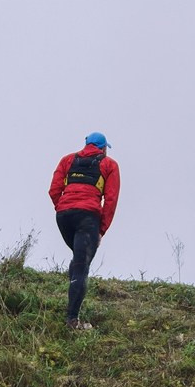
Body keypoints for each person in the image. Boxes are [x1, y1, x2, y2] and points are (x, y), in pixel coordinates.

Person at [49, 130, 120, 330]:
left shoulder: (67, 160)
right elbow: (111, 200)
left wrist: (62, 206)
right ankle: (72, 321)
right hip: (88, 218)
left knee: (78, 260)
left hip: (64, 217)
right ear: (104, 148)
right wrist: (101, 230)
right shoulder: (109, 165)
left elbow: (54, 190)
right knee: (82, 265)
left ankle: (72, 311)